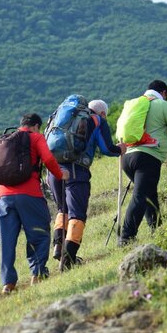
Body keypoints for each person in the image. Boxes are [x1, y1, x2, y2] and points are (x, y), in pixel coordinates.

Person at [47, 99, 126, 268]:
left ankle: (58, 247)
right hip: (77, 170)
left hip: (53, 170)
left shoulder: (62, 118)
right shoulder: (97, 121)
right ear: (103, 113)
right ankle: (68, 261)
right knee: (77, 214)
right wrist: (120, 149)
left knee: (63, 210)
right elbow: (107, 148)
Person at [0, 113, 69, 293]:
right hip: (29, 194)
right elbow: (49, 159)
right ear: (36, 126)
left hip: (3, 197)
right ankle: (37, 273)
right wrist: (61, 174)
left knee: (7, 241)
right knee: (38, 233)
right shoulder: (36, 137)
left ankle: (8, 282)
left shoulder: (5, 139)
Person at [119, 80, 167, 245]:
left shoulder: (135, 104)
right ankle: (126, 237)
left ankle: (158, 229)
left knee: (149, 194)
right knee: (140, 196)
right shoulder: (162, 104)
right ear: (164, 93)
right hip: (148, 157)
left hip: (128, 157)